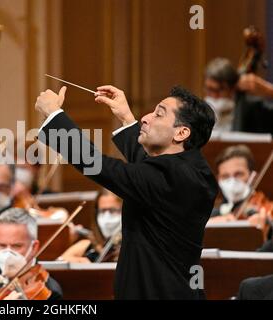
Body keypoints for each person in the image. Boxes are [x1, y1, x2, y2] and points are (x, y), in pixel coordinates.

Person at [35, 84, 218, 299]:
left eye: (158, 114)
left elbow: (97, 164)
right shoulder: (190, 170)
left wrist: (54, 116)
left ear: (181, 132)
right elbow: (148, 170)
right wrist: (126, 117)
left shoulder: (173, 177)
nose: (146, 118)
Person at [207, 145, 270, 230]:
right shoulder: (211, 213)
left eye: (238, 174)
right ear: (218, 180)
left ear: (253, 177)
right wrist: (209, 225)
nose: (232, 181)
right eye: (225, 176)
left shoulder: (264, 209)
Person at [203, 57, 273, 134]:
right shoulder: (201, 111)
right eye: (209, 89)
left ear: (233, 89)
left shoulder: (254, 108)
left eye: (219, 90)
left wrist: (269, 91)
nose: (213, 95)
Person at [59, 189, 122, 263]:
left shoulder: (134, 247)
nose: (107, 217)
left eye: (113, 210)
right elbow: (58, 263)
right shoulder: (86, 245)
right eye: (102, 211)